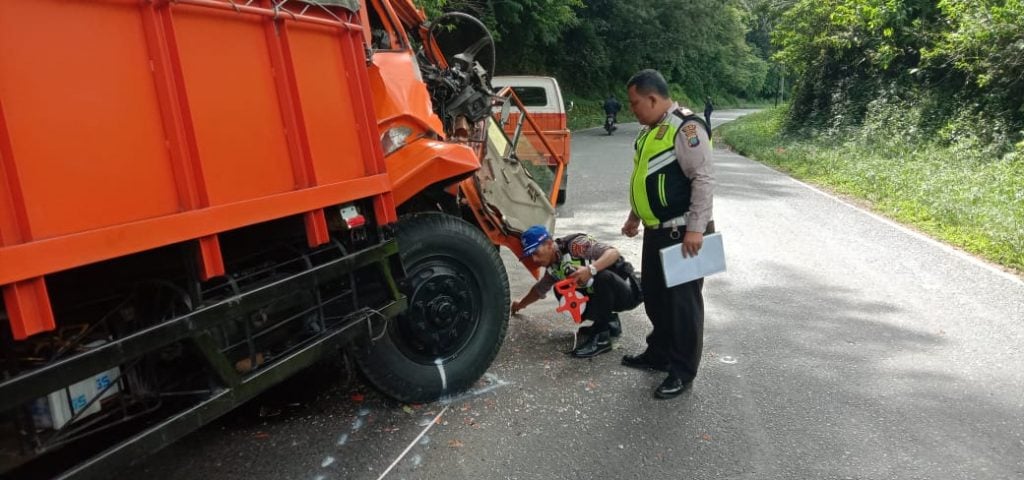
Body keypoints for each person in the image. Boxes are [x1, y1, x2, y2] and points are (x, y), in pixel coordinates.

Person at [620, 69, 715, 399]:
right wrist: (635, 216)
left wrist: (695, 229)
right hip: (656, 231)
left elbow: (702, 179)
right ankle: (659, 353)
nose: (632, 109)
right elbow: (647, 177)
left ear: (652, 98)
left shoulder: (686, 127)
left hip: (683, 232)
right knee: (657, 298)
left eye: (635, 103)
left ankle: (682, 370)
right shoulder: (651, 131)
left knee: (683, 305)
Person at [511, 225, 642, 358]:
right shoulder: (553, 267)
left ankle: (602, 337)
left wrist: (591, 270)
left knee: (601, 277)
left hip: (629, 290)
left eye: (535, 253)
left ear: (549, 244)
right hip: (610, 296)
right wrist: (520, 304)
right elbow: (539, 290)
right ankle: (609, 322)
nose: (534, 260)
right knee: (561, 289)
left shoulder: (575, 245)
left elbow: (613, 253)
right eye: (530, 255)